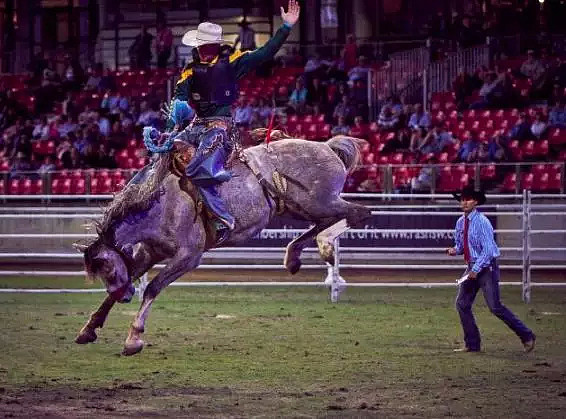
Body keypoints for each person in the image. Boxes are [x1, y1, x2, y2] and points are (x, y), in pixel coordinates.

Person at [162, 0, 300, 245]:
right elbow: (179, 98)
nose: (205, 48)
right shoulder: (190, 70)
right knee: (161, 154)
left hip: (219, 128)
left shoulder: (233, 62)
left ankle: (222, 218)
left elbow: (264, 53)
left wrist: (285, 28)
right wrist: (175, 117)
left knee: (198, 169)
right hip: (196, 126)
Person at [447, 187, 536, 353]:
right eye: (462, 199)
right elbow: (461, 246)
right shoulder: (461, 222)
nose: (464, 202)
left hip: (486, 267)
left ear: (476, 202)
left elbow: (488, 250)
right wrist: (455, 250)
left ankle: (526, 335)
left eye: (468, 199)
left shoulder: (482, 222)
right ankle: (472, 344)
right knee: (462, 304)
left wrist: (476, 268)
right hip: (473, 266)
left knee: (495, 307)